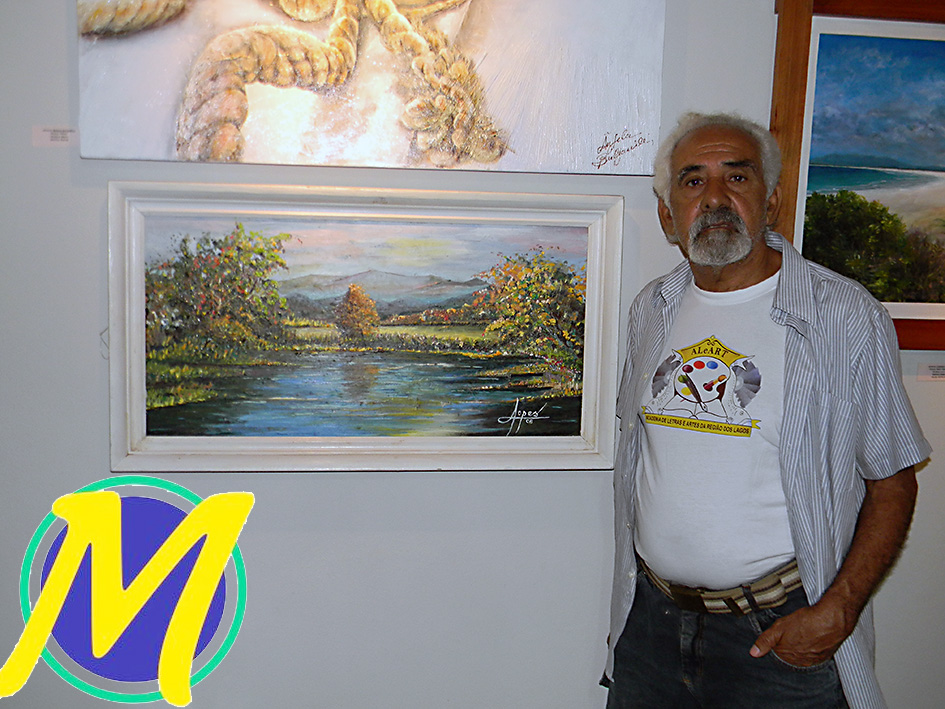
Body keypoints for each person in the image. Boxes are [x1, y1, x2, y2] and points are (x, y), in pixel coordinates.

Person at [603, 111, 931, 709]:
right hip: (650, 627)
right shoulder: (651, 309)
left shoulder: (844, 315)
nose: (715, 197)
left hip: (778, 638)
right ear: (667, 215)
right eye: (693, 181)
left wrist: (838, 611)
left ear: (771, 200)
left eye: (737, 176)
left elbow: (893, 479)